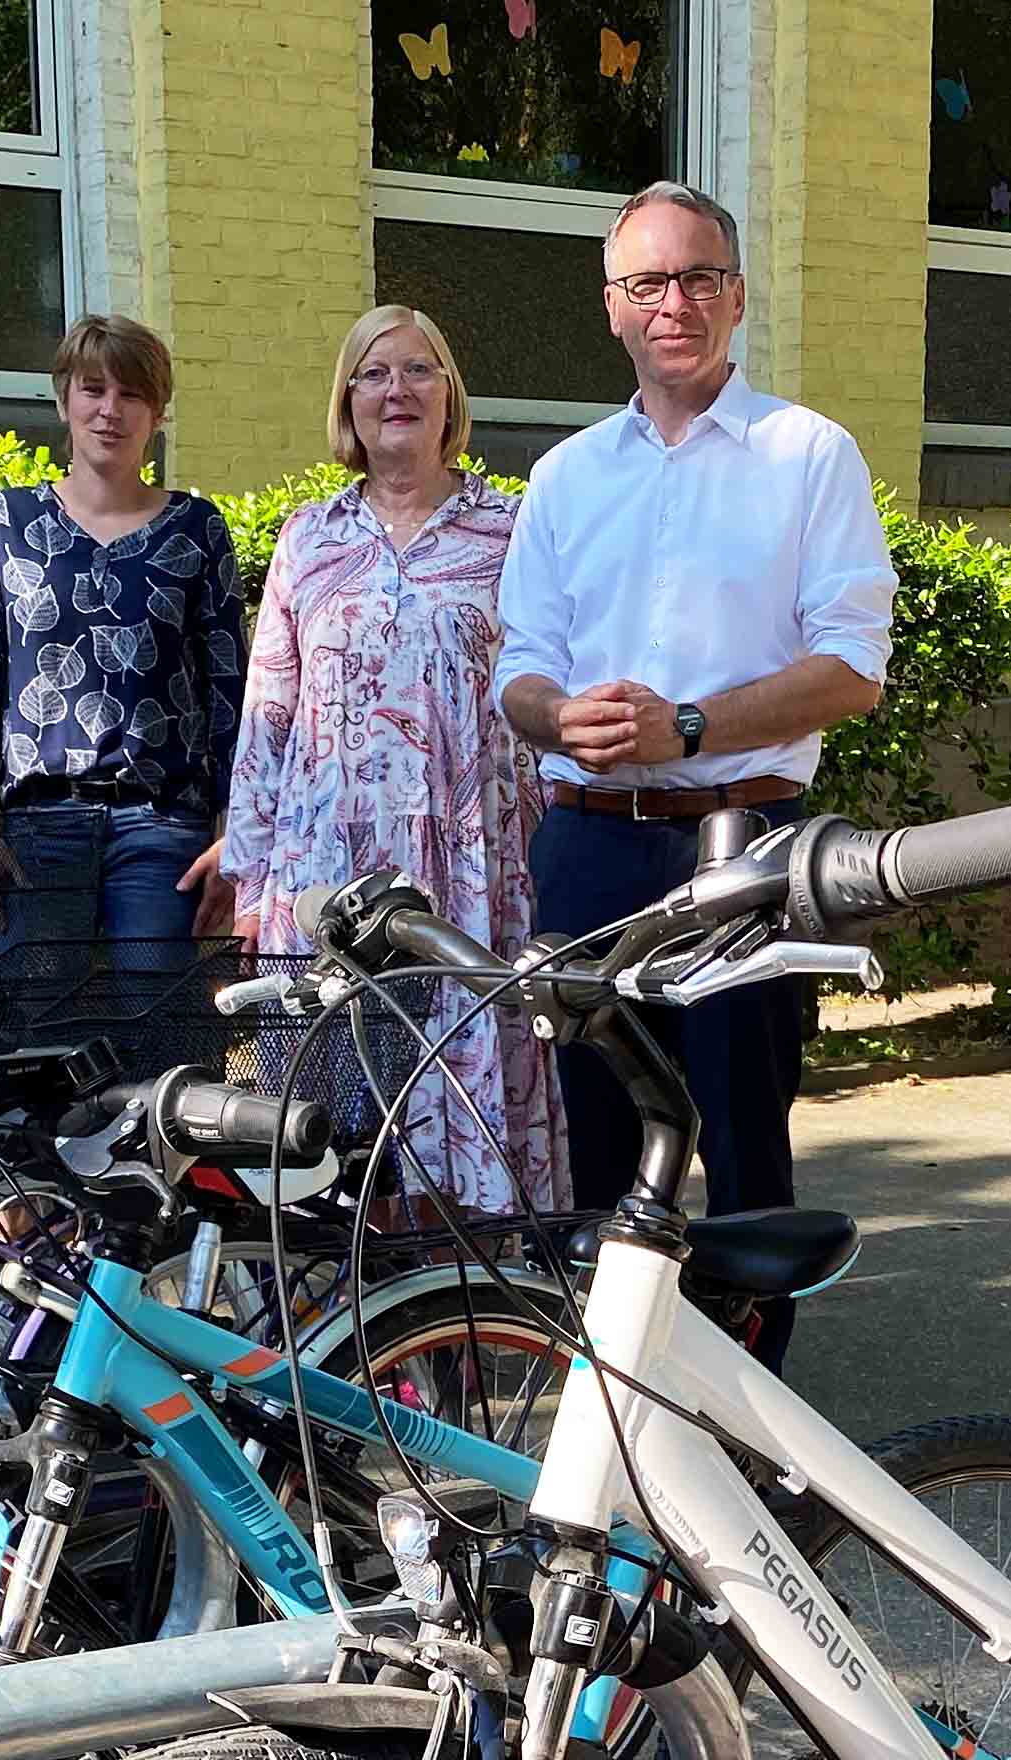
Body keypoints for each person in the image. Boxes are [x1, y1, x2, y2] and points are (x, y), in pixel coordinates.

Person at [491, 178, 892, 1365]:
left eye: (700, 278)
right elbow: (519, 670)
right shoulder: (567, 476)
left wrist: (693, 726)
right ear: (612, 307)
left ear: (737, 296)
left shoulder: (808, 455)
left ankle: (756, 1431)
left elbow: (853, 667)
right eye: (649, 283)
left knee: (745, 1149)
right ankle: (624, 1401)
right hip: (589, 844)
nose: (676, 303)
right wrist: (562, 717)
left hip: (746, 839)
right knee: (599, 1141)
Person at [211, 304, 565, 1214]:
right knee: (326, 1130)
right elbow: (268, 714)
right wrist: (253, 885)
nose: (396, 390)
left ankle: (471, 1323)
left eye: (418, 370)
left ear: (450, 395)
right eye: (373, 373)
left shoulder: (512, 530)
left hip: (469, 879)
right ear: (348, 402)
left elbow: (549, 691)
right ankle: (340, 1337)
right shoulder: (309, 537)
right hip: (324, 873)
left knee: (461, 1104)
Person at [0, 315, 246, 1046]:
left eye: (132, 394)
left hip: (162, 832)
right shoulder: (7, 522)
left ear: (158, 412)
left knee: (157, 1049)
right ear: (63, 401)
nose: (111, 410)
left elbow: (233, 700)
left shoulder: (196, 531)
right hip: (39, 831)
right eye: (93, 389)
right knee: (35, 1045)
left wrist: (233, 841)